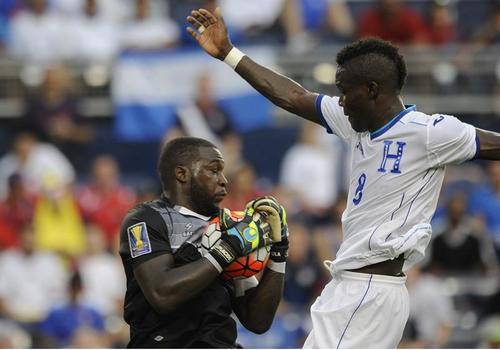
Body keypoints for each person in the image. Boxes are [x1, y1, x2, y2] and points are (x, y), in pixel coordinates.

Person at [186, 8, 500, 348]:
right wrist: (229, 53)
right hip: (361, 287)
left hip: (367, 290)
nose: (341, 101)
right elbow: (291, 96)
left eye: (345, 92)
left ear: (372, 90)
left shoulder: (428, 133)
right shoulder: (355, 124)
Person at [119, 136, 288, 347]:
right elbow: (162, 294)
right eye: (214, 170)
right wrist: (228, 249)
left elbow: (258, 321)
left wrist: (279, 252)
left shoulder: (227, 224)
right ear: (182, 174)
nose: (224, 180)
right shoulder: (145, 219)